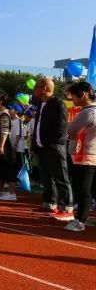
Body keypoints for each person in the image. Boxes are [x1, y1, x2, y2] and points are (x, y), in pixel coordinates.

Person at [32, 77, 74, 220]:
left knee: (61, 178)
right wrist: (35, 144)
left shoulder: (58, 104)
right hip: (41, 147)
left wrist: (55, 143)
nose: (34, 89)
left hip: (54, 147)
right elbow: (37, 126)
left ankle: (67, 208)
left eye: (37, 86)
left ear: (44, 88)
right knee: (46, 177)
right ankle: (49, 204)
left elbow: (62, 128)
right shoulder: (40, 104)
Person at [64, 81, 96, 231]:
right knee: (89, 189)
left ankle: (80, 220)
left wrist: (68, 125)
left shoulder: (87, 112)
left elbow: (71, 131)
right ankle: (86, 217)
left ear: (83, 94)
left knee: (83, 189)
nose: (73, 100)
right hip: (91, 154)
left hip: (84, 155)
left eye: (74, 97)